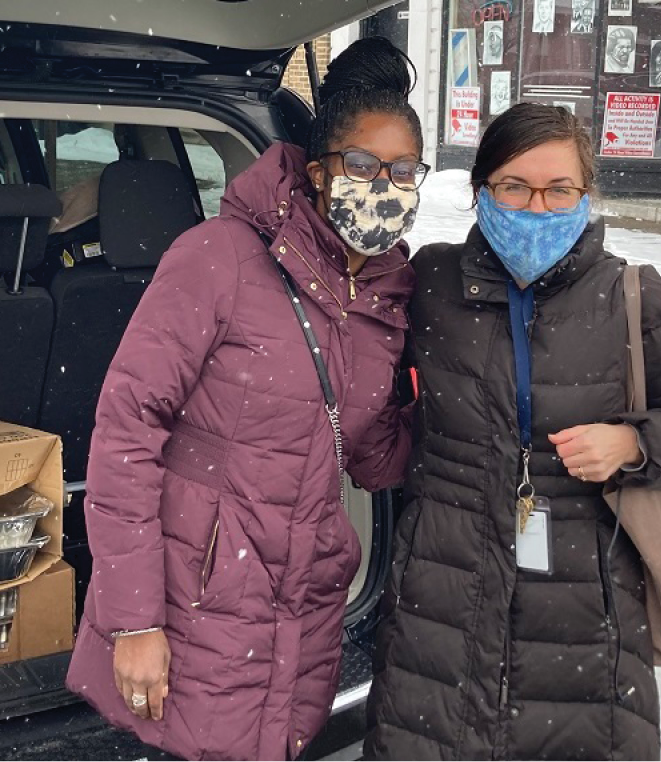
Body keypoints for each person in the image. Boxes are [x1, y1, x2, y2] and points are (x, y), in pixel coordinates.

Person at [65, 37, 425, 761]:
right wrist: (133, 622)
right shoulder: (218, 256)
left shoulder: (387, 295)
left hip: (304, 603)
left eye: (403, 170)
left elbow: (374, 459)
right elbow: (126, 430)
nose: (382, 184)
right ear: (320, 169)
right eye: (362, 164)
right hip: (198, 599)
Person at [364, 103, 661, 760]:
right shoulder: (429, 282)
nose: (536, 208)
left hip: (584, 602)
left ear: (587, 195)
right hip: (442, 588)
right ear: (480, 192)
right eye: (514, 187)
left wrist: (635, 445)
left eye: (559, 189)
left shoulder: (632, 294)